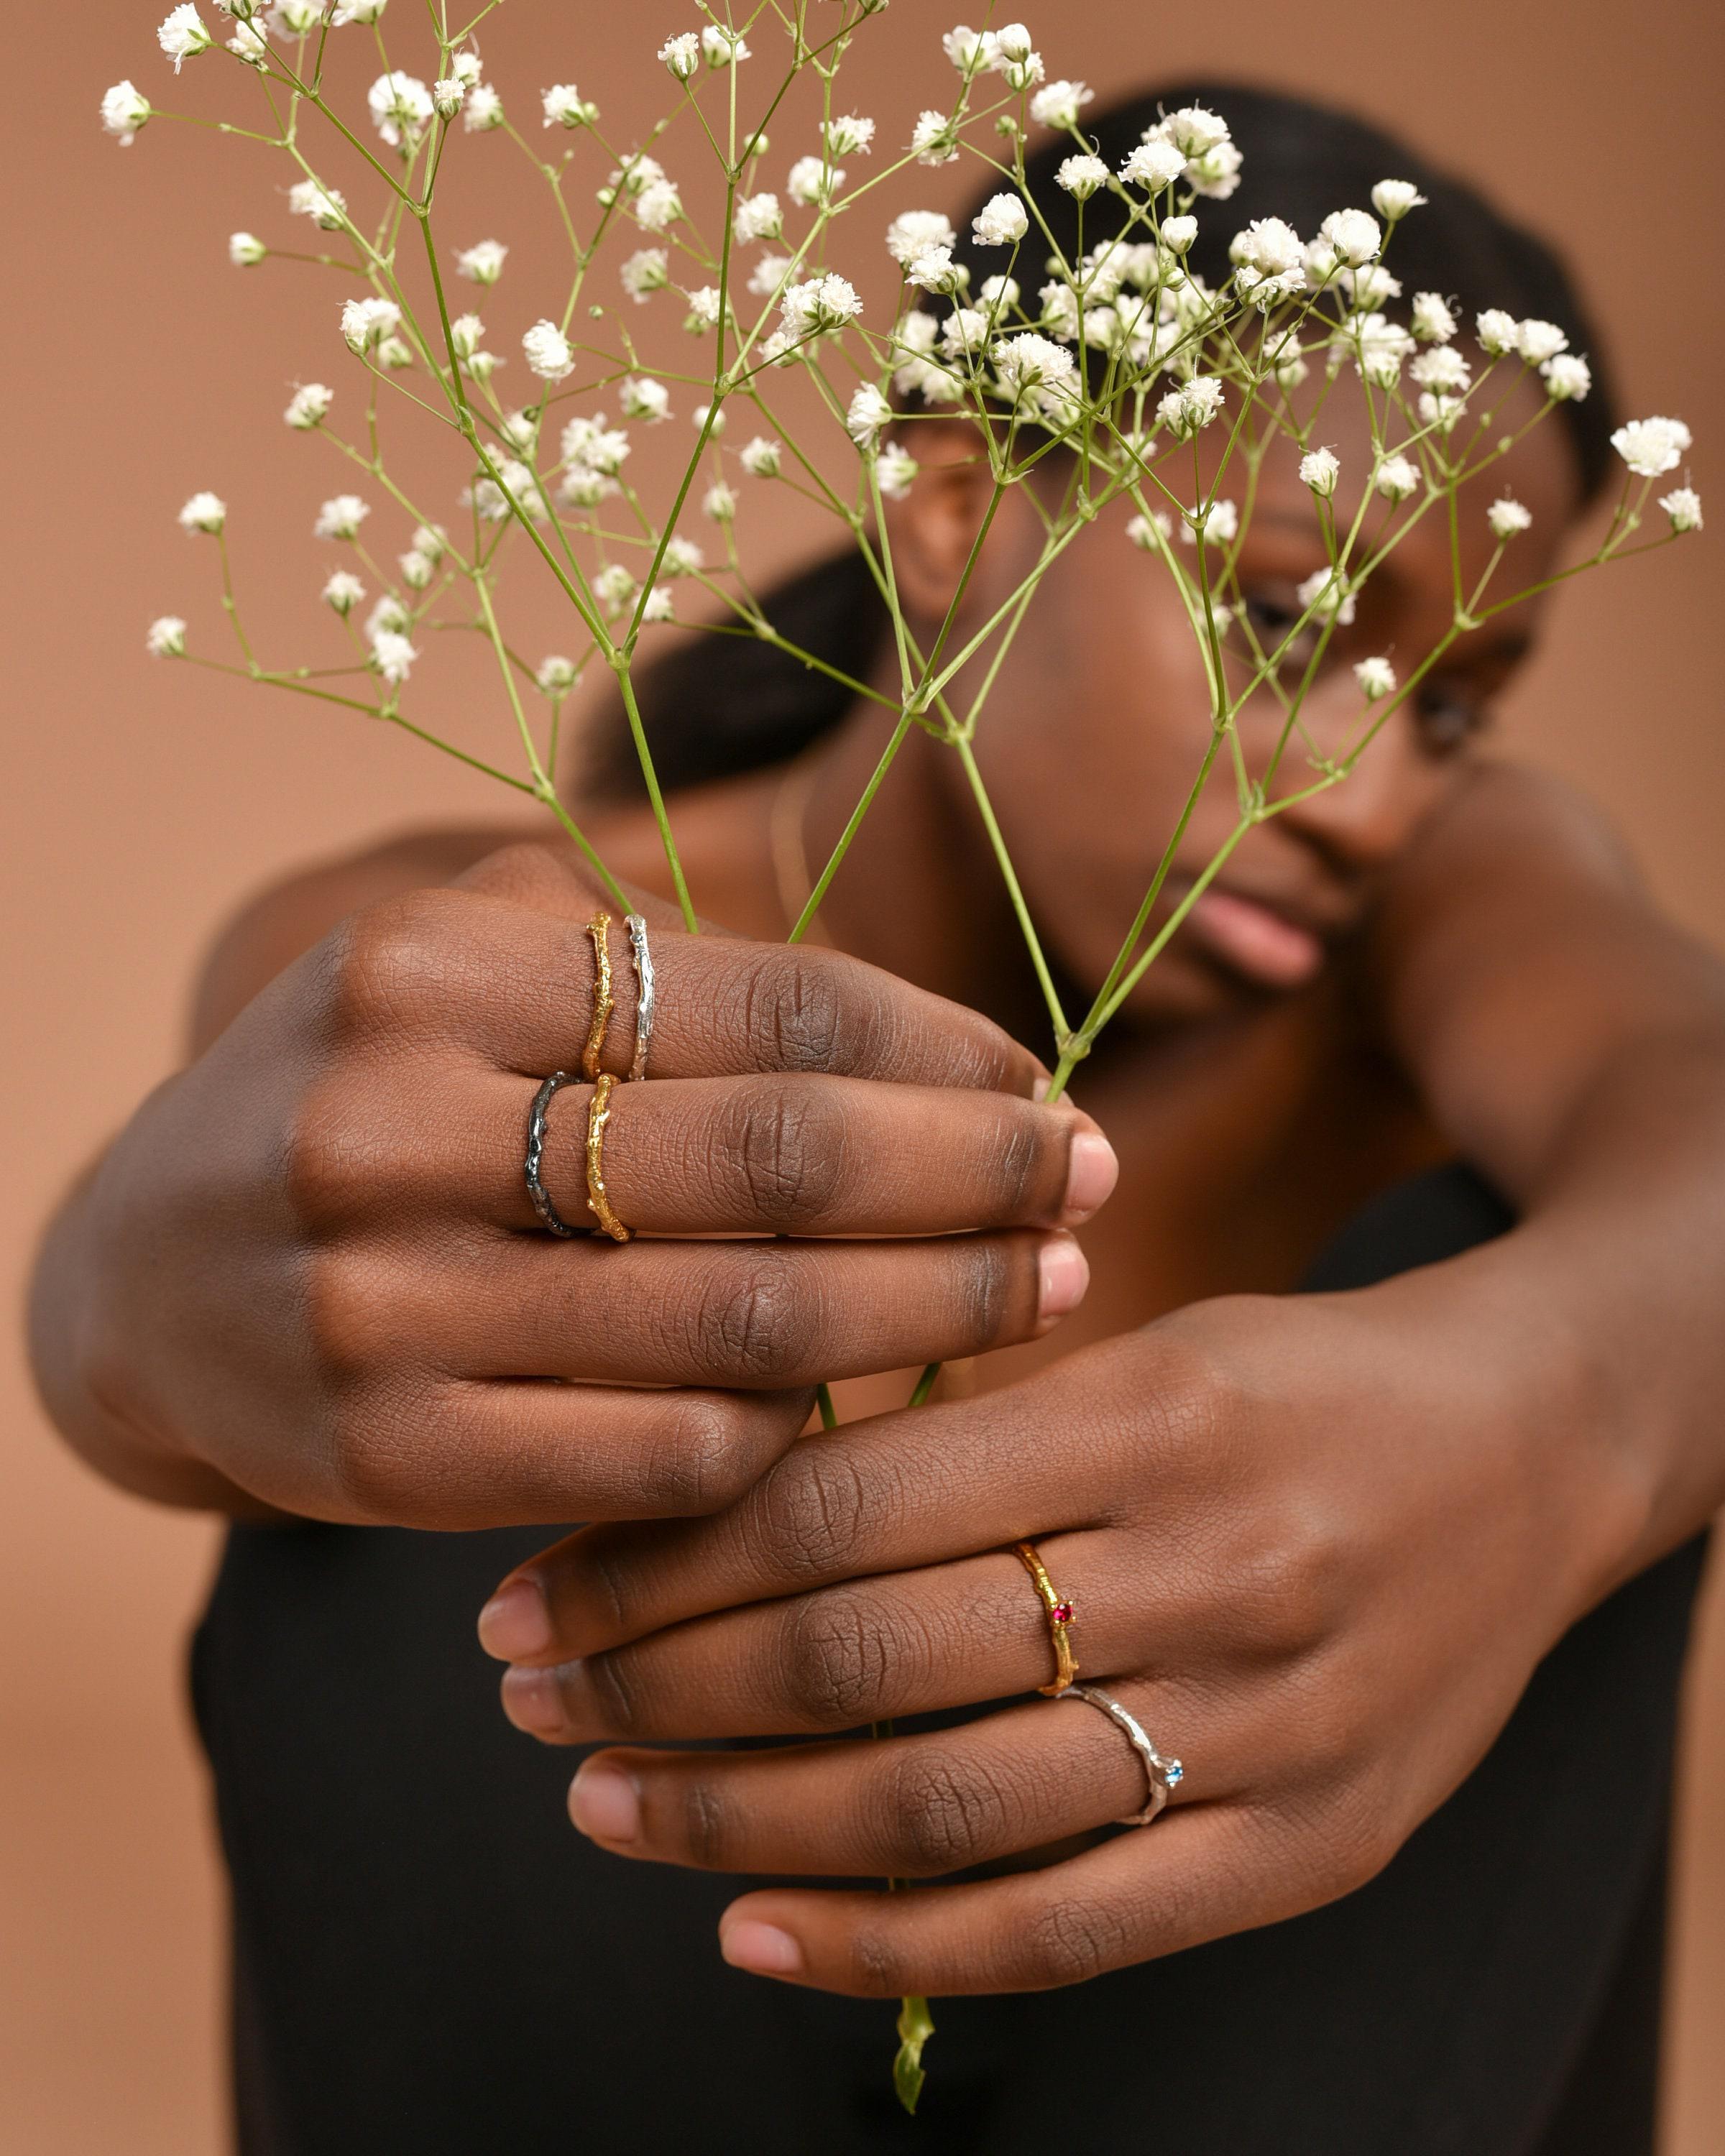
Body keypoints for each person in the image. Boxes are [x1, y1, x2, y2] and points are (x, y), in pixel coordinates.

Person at [28, 81, 1724, 2156]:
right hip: (631, 1985)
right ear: (956, 507)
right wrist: (110, 1305)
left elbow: (1695, 1112)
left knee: (1583, 1294)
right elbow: (270, 1149)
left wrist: (1544, 1431)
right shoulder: (559, 926)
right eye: (1282, 621)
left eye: (1453, 693)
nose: (1370, 786)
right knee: (448, 1281)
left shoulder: (1446, 915)